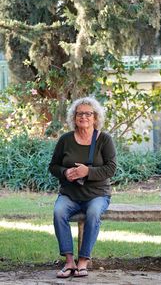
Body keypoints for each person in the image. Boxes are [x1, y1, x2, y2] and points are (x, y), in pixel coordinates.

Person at [49, 96, 116, 278]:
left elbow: (111, 168)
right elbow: (53, 166)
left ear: (95, 117)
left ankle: (83, 261)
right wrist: (64, 173)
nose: (83, 117)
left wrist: (88, 171)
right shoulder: (65, 140)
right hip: (70, 194)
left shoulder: (104, 140)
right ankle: (69, 261)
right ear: (74, 117)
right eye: (80, 113)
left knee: (93, 213)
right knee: (59, 212)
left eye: (88, 113)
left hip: (97, 195)